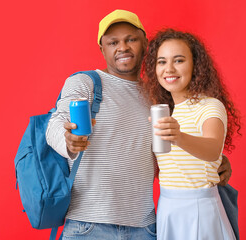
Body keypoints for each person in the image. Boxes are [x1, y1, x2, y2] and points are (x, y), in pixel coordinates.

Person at [46, 10, 232, 239]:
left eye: (130, 39)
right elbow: (56, 123)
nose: (122, 47)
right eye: (113, 42)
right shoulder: (85, 83)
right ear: (102, 49)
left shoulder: (158, 97)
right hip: (89, 226)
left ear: (145, 44)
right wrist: (68, 141)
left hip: (146, 227)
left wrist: (215, 161)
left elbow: (167, 155)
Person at [144, 29, 241, 239]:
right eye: (161, 62)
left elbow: (213, 149)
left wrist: (178, 136)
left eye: (179, 60)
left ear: (195, 65)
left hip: (200, 209)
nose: (169, 68)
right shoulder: (168, 110)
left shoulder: (210, 106)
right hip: (168, 207)